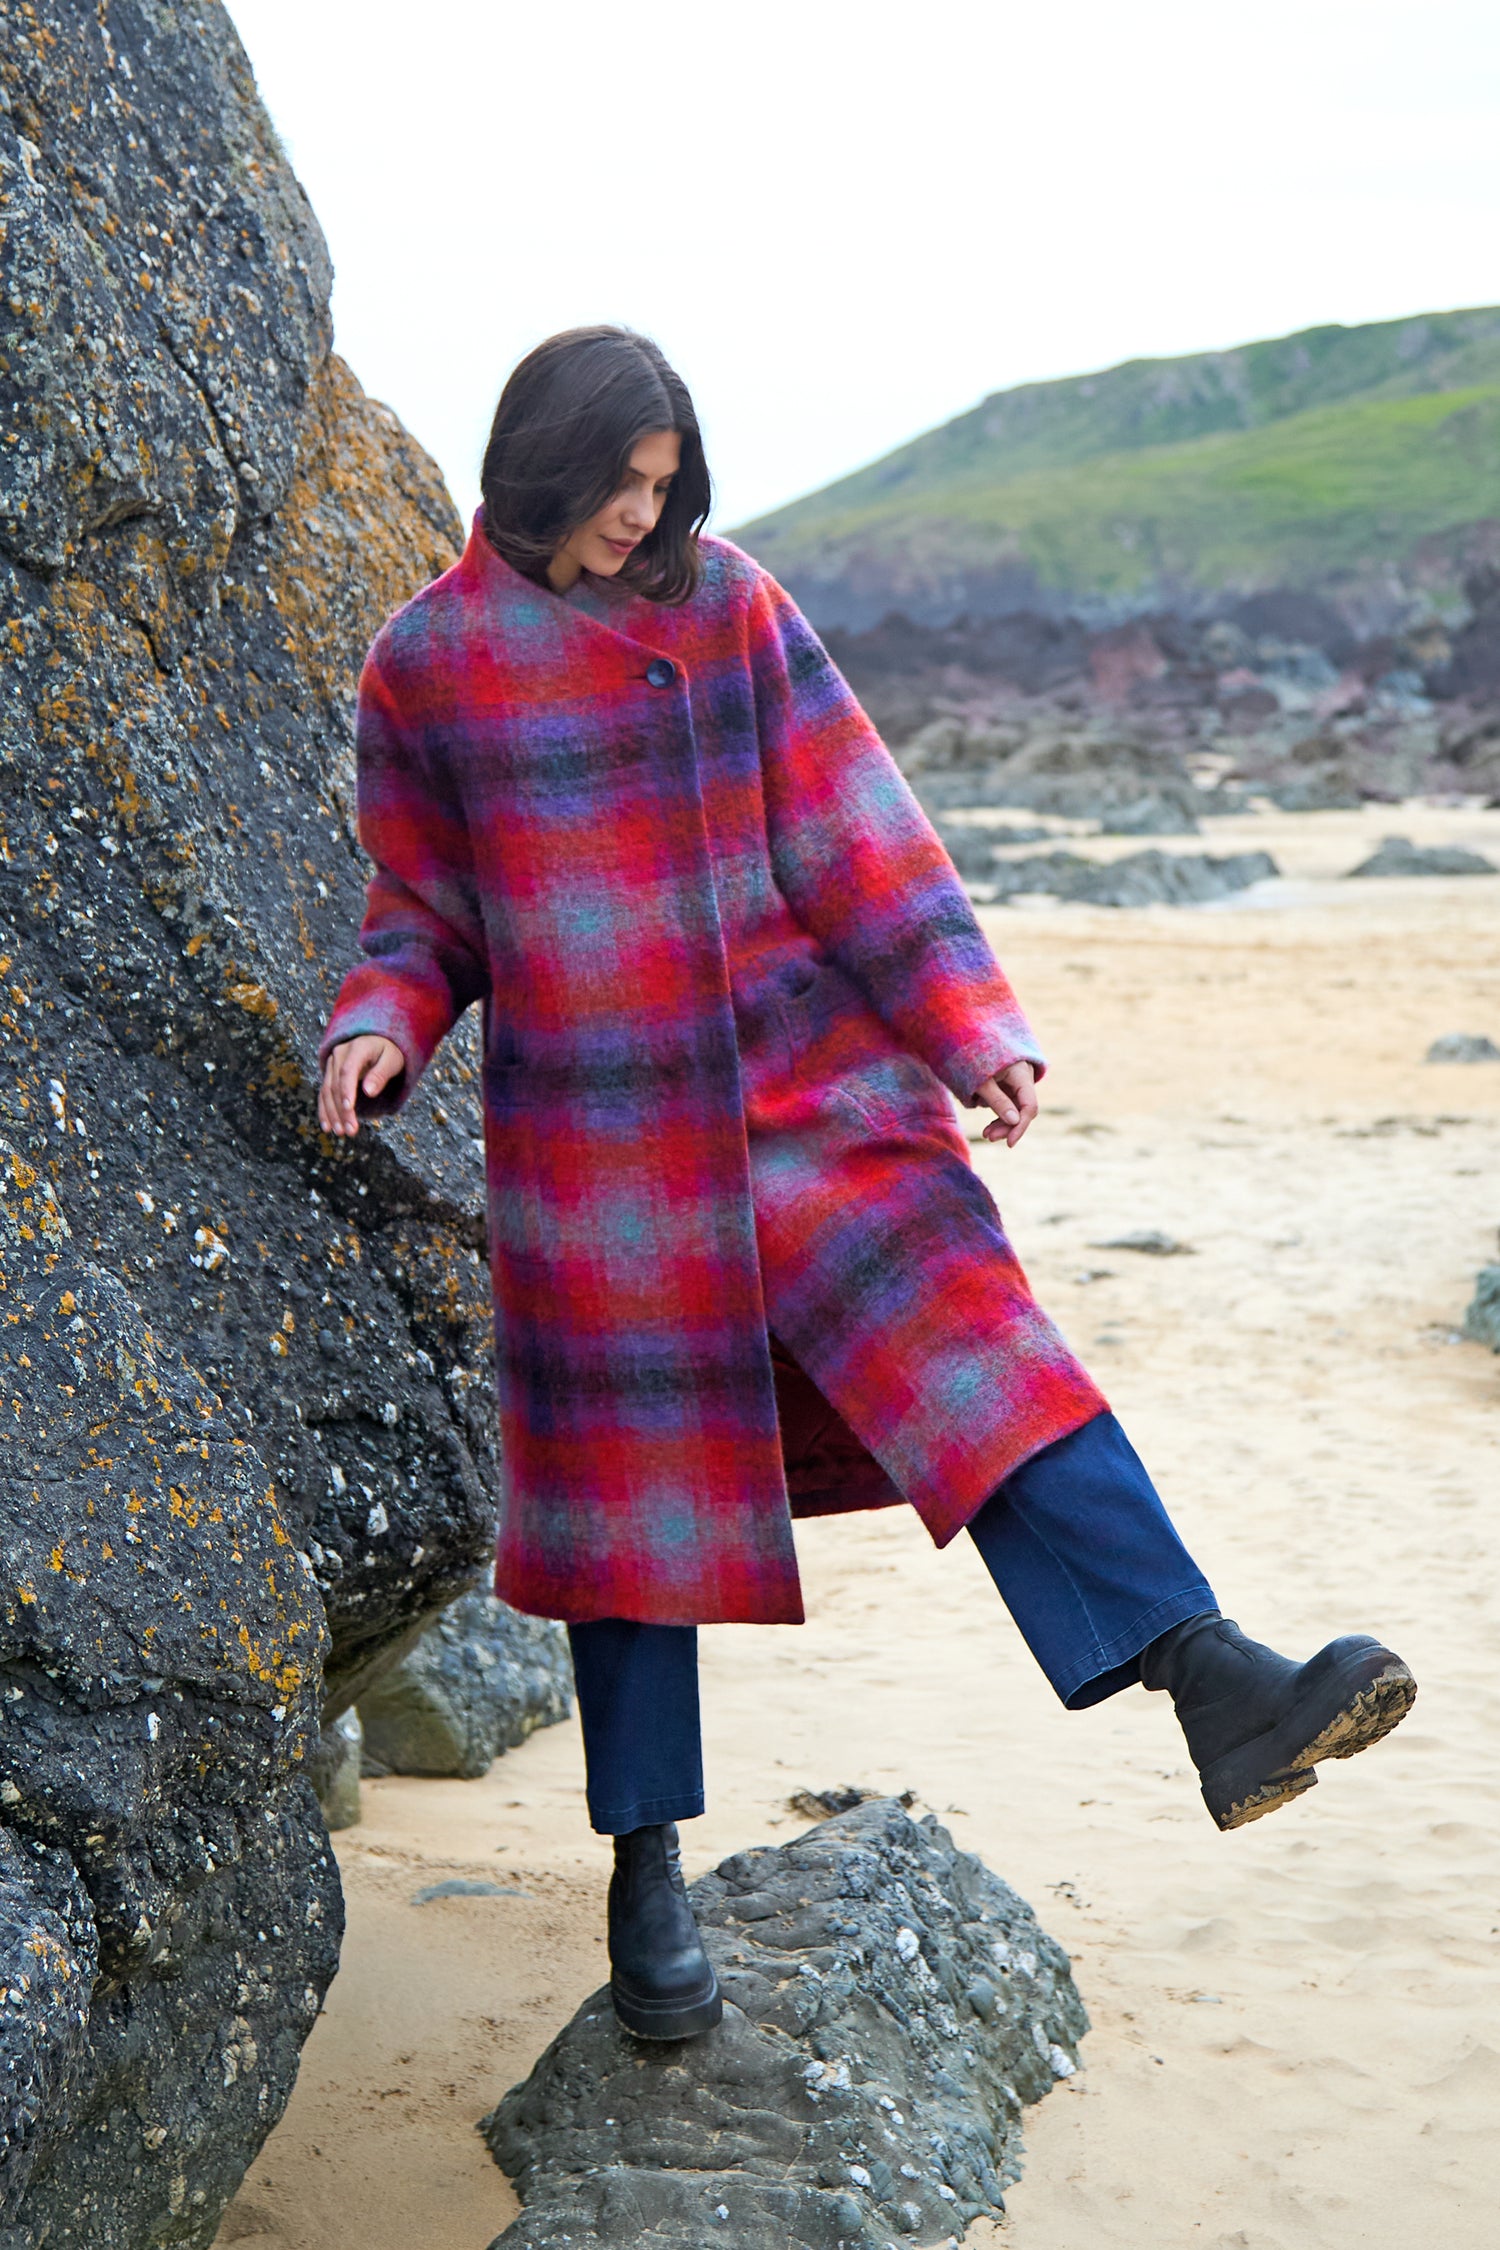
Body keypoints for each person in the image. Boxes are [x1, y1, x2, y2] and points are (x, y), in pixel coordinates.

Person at [317, 327, 1415, 2043]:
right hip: (605, 1143)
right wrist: (384, 1021)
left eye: (666, 483)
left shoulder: (730, 606)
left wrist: (971, 1026)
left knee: (982, 1350)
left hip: (811, 1081)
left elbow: (854, 827)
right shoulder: (429, 664)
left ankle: (1212, 1675)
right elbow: (423, 906)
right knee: (632, 1518)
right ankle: (646, 1872)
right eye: (621, 483)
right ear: (542, 467)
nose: (645, 515)